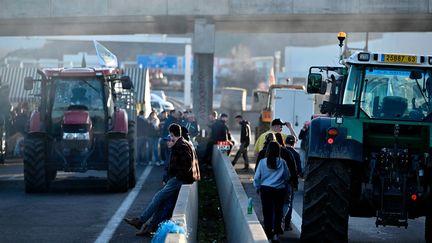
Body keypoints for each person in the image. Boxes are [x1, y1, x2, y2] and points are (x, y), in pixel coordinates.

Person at [124, 123, 200, 236]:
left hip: (179, 180)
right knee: (161, 201)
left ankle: (141, 221)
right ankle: (149, 227)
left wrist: (177, 177)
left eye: (170, 134)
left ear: (172, 133)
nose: (169, 137)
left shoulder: (181, 145)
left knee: (158, 198)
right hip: (181, 179)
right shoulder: (184, 143)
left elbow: (186, 164)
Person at [254, 141, 290, 242]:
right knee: (278, 212)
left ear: (268, 150)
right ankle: (276, 234)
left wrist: (257, 188)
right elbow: (287, 176)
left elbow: (257, 178)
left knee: (267, 212)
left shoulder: (262, 162)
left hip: (266, 190)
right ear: (278, 150)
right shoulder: (282, 162)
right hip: (279, 190)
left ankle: (268, 235)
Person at [283, 135, 302, 231]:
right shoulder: (296, 154)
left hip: (278, 181)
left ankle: (276, 222)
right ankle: (287, 224)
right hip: (290, 182)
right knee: (288, 203)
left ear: (285, 141)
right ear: (294, 143)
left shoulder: (280, 151)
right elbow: (298, 170)